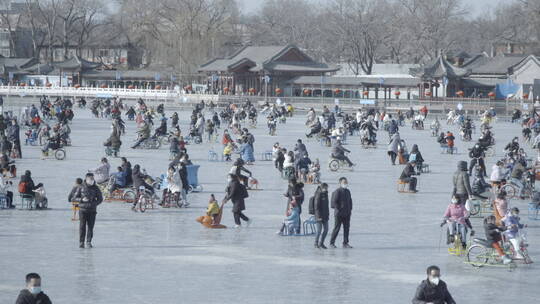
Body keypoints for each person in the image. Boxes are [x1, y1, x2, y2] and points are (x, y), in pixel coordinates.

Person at [76, 173, 103, 248]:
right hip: (82, 210)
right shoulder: (80, 187)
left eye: (92, 178)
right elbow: (73, 198)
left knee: (91, 227)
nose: (91, 180)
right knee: (82, 226)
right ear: (86, 178)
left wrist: (94, 203)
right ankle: (81, 242)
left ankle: (88, 241)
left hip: (92, 210)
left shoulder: (96, 188)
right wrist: (81, 199)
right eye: (90, 178)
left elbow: (100, 199)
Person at [329, 177, 353, 248]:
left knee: (346, 229)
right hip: (339, 214)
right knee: (337, 228)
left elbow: (350, 201)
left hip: (347, 213)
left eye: (346, 182)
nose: (345, 183)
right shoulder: (337, 191)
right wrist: (339, 208)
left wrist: (350, 209)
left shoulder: (348, 191)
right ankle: (332, 243)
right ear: (340, 183)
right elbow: (333, 202)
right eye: (344, 182)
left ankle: (345, 243)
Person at [314, 183, 330, 249]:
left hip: (325, 215)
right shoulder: (318, 194)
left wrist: (328, 214)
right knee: (319, 230)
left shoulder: (325, 194)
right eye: (325, 188)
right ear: (322, 187)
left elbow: (327, 206)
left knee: (326, 230)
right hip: (319, 216)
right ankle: (316, 243)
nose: (326, 189)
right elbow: (316, 207)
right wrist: (318, 217)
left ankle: (321, 243)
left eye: (327, 188)